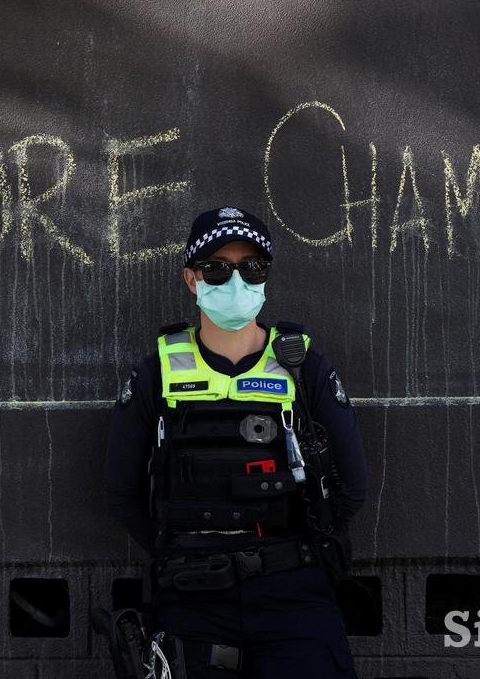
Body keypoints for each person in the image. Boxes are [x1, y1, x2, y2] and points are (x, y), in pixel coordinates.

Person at [104, 206, 369, 677]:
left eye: (252, 268)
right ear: (192, 279)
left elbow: (353, 486)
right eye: (217, 269)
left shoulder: (303, 365)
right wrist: (180, 553)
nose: (236, 282)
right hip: (192, 596)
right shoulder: (155, 373)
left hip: (293, 593)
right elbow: (123, 491)